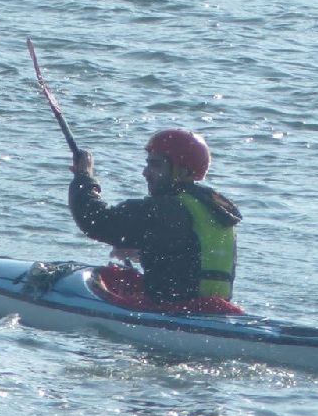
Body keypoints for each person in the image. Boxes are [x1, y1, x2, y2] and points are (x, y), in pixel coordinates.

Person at [68, 128, 242, 309]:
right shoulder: (212, 208)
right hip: (215, 312)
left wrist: (84, 177)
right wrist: (146, 253)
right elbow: (191, 260)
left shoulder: (167, 209)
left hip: (173, 313)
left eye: (156, 165)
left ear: (182, 171)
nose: (145, 172)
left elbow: (95, 220)